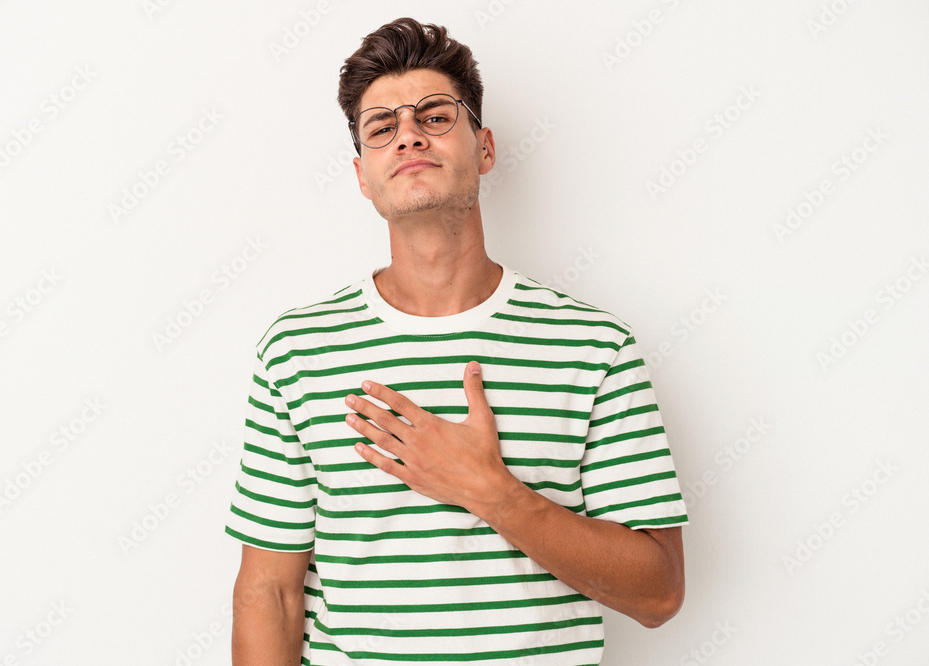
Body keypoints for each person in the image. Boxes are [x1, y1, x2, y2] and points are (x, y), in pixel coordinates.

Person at [226, 17, 688, 665]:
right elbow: (269, 593)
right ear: (362, 175)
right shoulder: (296, 350)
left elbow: (659, 593)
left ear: (485, 147)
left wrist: (490, 491)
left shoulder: (594, 347)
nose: (408, 134)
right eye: (381, 127)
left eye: (435, 116)